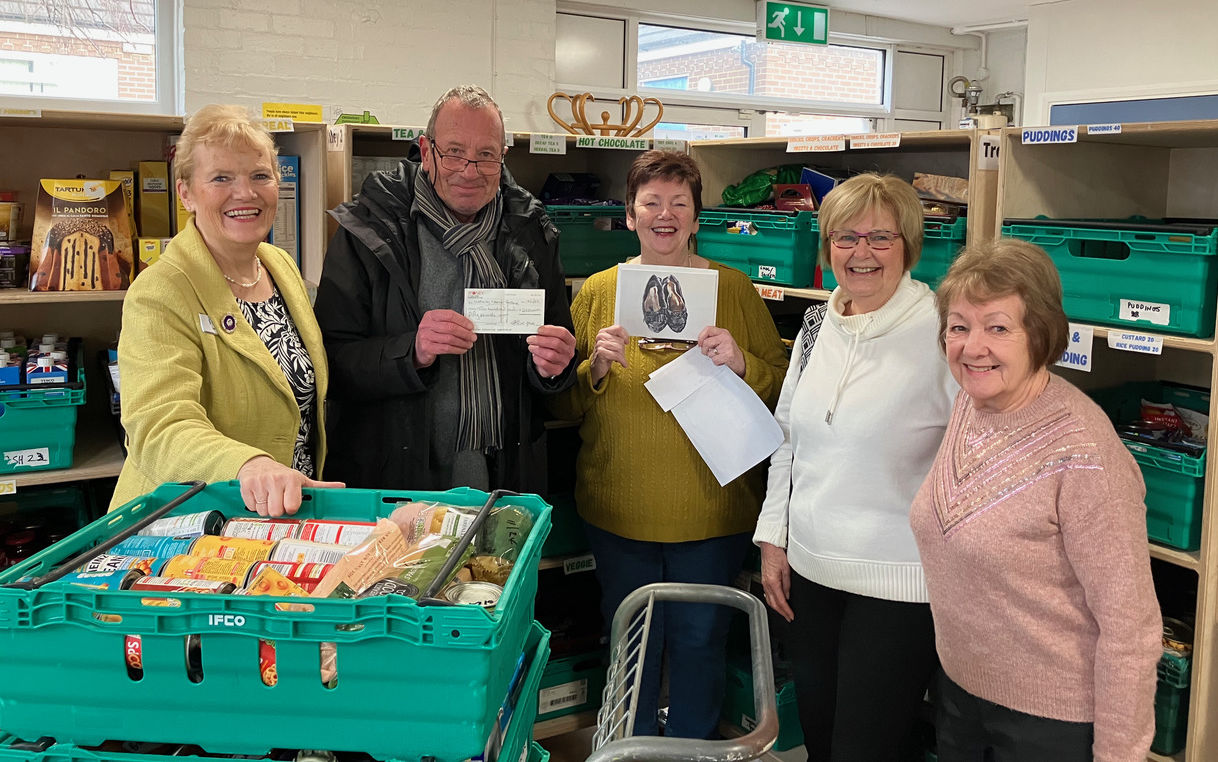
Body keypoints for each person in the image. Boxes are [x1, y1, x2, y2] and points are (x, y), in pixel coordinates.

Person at [550, 150, 788, 739]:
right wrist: (595, 371)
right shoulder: (599, 293)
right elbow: (560, 405)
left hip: (711, 512)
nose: (665, 214)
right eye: (651, 202)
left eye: (679, 203)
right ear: (629, 215)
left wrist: (742, 362)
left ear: (696, 216)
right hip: (618, 511)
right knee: (628, 644)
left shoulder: (732, 290)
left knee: (700, 641)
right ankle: (627, 749)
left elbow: (784, 385)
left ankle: (689, 751)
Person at [911, 238, 1161, 762]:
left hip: (1049, 722)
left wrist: (1119, 754)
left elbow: (1130, 628)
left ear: (1040, 333)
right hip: (961, 693)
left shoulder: (1086, 452)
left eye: (998, 327)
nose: (972, 346)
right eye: (959, 327)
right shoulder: (971, 403)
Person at [754, 173, 958, 761]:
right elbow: (786, 437)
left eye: (880, 238)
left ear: (909, 246)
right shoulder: (818, 325)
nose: (860, 253)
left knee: (865, 749)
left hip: (898, 585)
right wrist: (773, 541)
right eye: (845, 237)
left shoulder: (944, 332)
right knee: (820, 737)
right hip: (811, 574)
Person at [314, 85, 576, 492]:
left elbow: (557, 357)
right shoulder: (370, 230)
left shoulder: (533, 232)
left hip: (504, 477)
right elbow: (331, 363)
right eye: (454, 151)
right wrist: (412, 351)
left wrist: (554, 367)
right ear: (426, 149)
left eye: (486, 155)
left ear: (502, 157)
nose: (469, 170)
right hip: (396, 479)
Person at [111, 104, 341, 516]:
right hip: (191, 524)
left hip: (278, 515)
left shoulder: (280, 265)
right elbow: (159, 427)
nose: (245, 193)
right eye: (221, 178)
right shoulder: (160, 292)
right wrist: (248, 465)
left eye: (260, 176)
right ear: (185, 193)